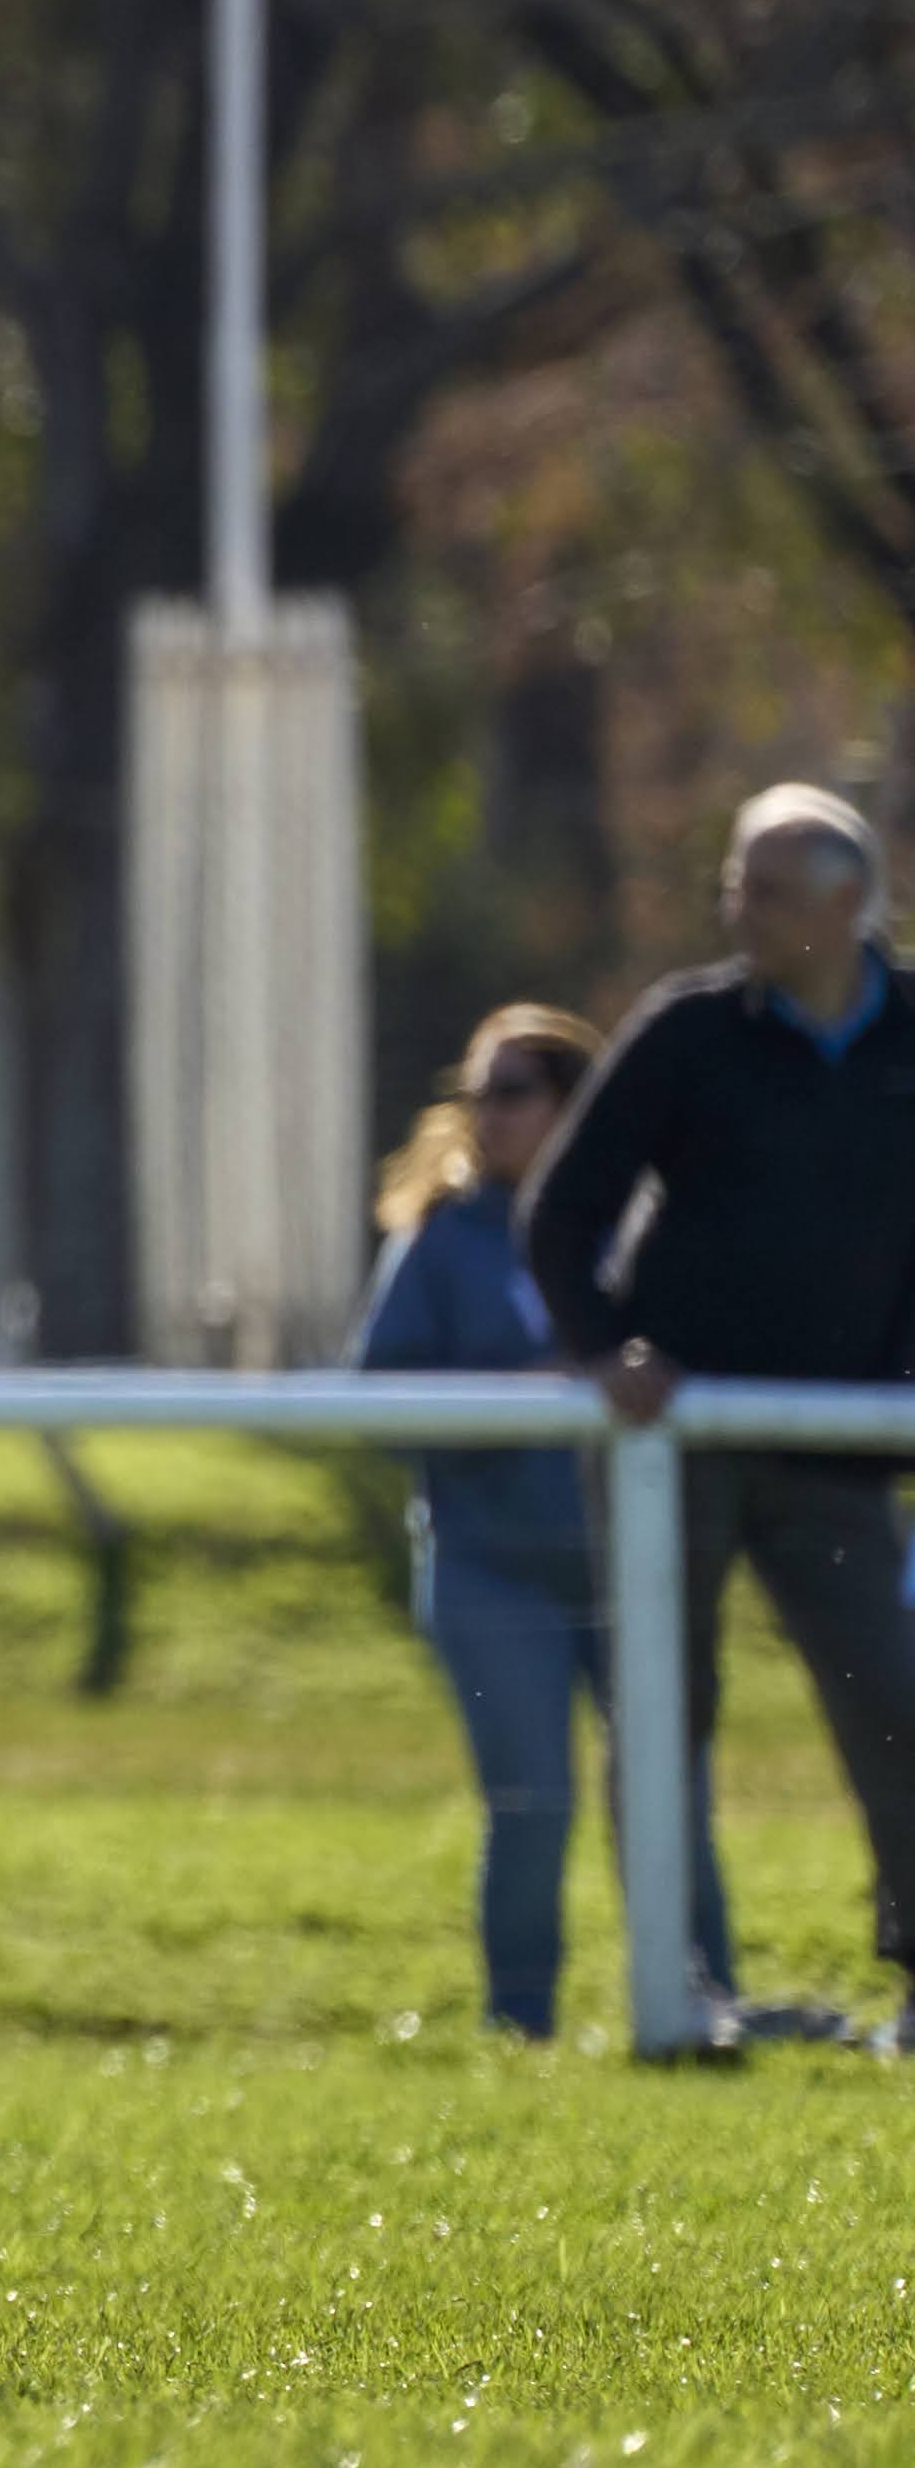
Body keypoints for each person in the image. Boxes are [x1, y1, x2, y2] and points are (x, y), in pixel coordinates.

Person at [524, 784, 915, 2038]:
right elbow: (562, 1213)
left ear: (850, 903)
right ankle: (675, 1988)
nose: (737, 911)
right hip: (671, 1443)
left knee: (893, 1701)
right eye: (734, 886)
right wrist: (604, 1352)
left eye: (768, 891)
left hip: (838, 1446)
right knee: (659, 1708)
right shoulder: (686, 1032)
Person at [356, 1002, 731, 2044]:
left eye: (512, 1090)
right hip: (490, 1567)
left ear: (575, 1106)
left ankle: (707, 2001)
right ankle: (519, 2023)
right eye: (476, 1091)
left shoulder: (643, 1221)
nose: (487, 1114)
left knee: (668, 1790)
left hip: (634, 1565)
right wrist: (527, 1389)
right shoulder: (439, 1239)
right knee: (531, 1803)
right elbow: (373, 1398)